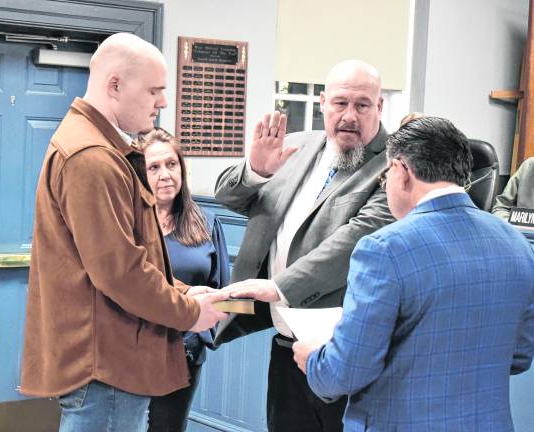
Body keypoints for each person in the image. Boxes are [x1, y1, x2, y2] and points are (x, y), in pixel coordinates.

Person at [20, 33, 228, 432]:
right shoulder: (93, 158)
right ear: (115, 85)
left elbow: (127, 255)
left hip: (110, 363)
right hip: (108, 368)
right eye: (154, 90)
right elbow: (120, 273)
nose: (162, 102)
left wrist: (182, 292)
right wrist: (188, 312)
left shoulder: (101, 149)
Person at [293, 117, 534, 431]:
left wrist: (314, 359)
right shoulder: (517, 244)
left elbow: (346, 373)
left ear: (401, 170)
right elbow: (519, 355)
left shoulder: (384, 249)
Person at [214, 59, 395, 432]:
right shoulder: (295, 145)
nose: (350, 115)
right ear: (323, 104)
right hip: (286, 343)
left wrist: (279, 287)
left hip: (345, 349)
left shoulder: (395, 165)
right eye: (340, 103)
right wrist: (256, 171)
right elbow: (228, 197)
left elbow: (355, 241)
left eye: (362, 105)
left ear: (380, 107)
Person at [140, 128, 230, 432]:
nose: (165, 174)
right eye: (154, 167)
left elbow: (221, 293)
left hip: (184, 352)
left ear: (182, 169)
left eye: (171, 164)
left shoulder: (205, 223)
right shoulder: (128, 223)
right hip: (133, 350)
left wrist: (199, 336)